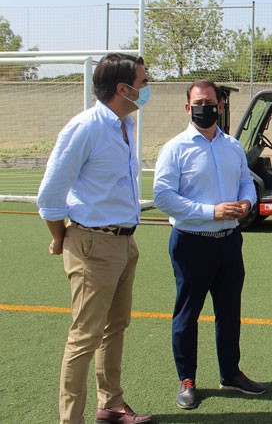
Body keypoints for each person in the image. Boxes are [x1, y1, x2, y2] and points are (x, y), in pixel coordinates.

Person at [37, 52, 153, 424]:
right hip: (91, 244)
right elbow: (50, 196)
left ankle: (112, 404)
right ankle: (71, 420)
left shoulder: (127, 125)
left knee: (115, 327)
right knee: (84, 337)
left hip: (124, 242)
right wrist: (61, 237)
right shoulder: (85, 127)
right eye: (143, 82)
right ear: (123, 88)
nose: (147, 88)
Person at [153, 80, 265, 410]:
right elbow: (163, 196)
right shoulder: (175, 148)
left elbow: (246, 180)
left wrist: (247, 201)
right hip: (192, 243)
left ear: (221, 106)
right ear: (188, 108)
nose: (206, 107)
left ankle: (230, 373)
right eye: (199, 102)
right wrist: (210, 211)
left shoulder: (232, 146)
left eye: (211, 102)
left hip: (229, 243)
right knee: (187, 315)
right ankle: (187, 379)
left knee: (229, 313)